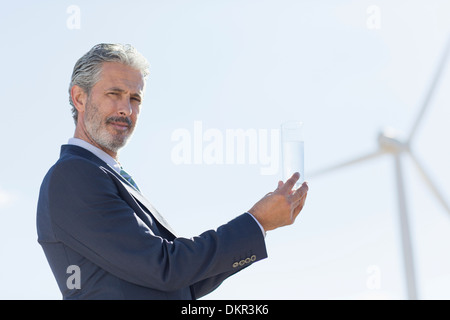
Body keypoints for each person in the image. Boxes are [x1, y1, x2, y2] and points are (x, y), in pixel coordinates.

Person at [36, 43, 309, 300]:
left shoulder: (106, 175)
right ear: (79, 97)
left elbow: (182, 282)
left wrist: (262, 225)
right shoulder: (74, 175)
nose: (126, 109)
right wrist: (256, 220)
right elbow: (165, 268)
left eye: (135, 98)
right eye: (114, 94)